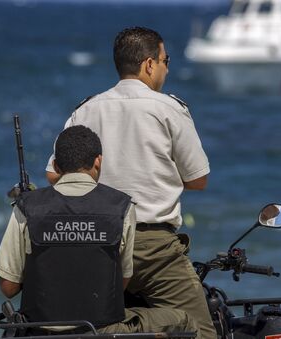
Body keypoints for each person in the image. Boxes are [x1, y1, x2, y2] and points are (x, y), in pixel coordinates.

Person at [45, 27, 215, 339]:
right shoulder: (169, 109)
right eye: (166, 61)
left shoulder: (86, 109)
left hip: (95, 243)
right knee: (204, 331)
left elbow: (55, 175)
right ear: (149, 64)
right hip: (154, 251)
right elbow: (198, 179)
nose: (166, 68)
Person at [0, 125, 197, 335]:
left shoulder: (27, 207)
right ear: (98, 161)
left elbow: (8, 287)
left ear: (55, 165)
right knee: (184, 320)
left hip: (39, 330)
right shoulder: (122, 207)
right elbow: (121, 283)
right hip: (103, 330)